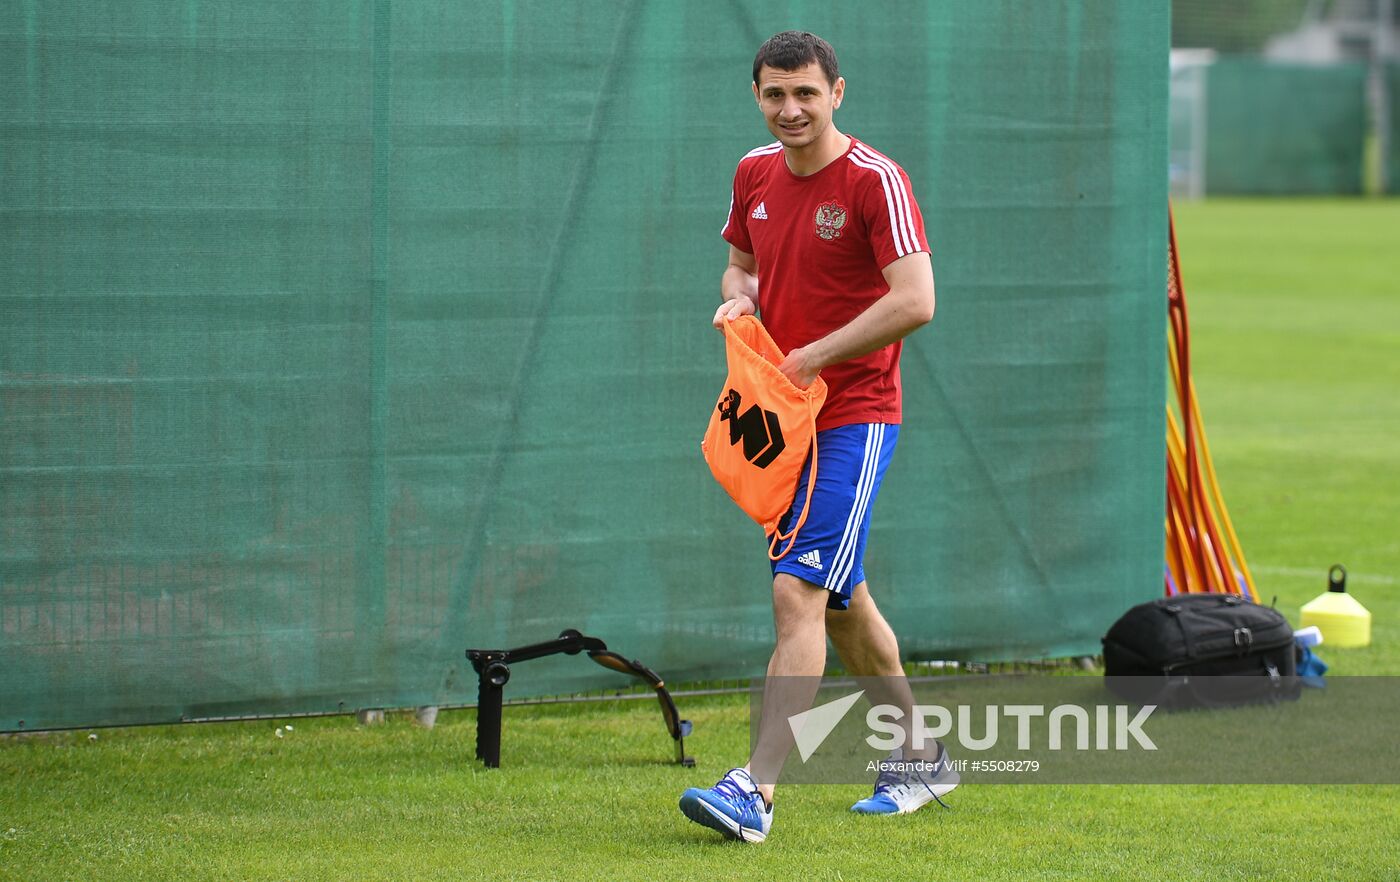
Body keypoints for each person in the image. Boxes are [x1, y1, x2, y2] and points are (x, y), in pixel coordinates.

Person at [678, 31, 953, 843]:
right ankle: (920, 756)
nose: (790, 109)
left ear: (838, 91)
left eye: (805, 92)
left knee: (795, 590)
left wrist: (818, 354)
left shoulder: (876, 180)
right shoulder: (754, 172)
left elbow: (918, 299)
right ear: (758, 97)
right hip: (785, 418)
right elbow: (741, 265)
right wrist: (740, 299)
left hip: (855, 415)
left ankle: (754, 792)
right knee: (840, 602)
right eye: (774, 94)